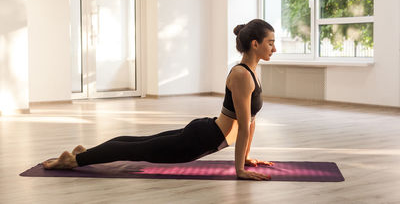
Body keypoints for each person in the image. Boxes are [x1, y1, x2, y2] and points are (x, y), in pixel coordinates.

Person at [43, 18, 277, 181]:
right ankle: (74, 160)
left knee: (137, 143)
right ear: (255, 44)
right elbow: (244, 127)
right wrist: (239, 170)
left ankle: (86, 152)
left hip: (206, 133)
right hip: (201, 140)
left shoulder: (251, 73)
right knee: (137, 150)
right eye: (270, 43)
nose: (274, 48)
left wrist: (245, 158)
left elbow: (251, 122)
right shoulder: (242, 75)